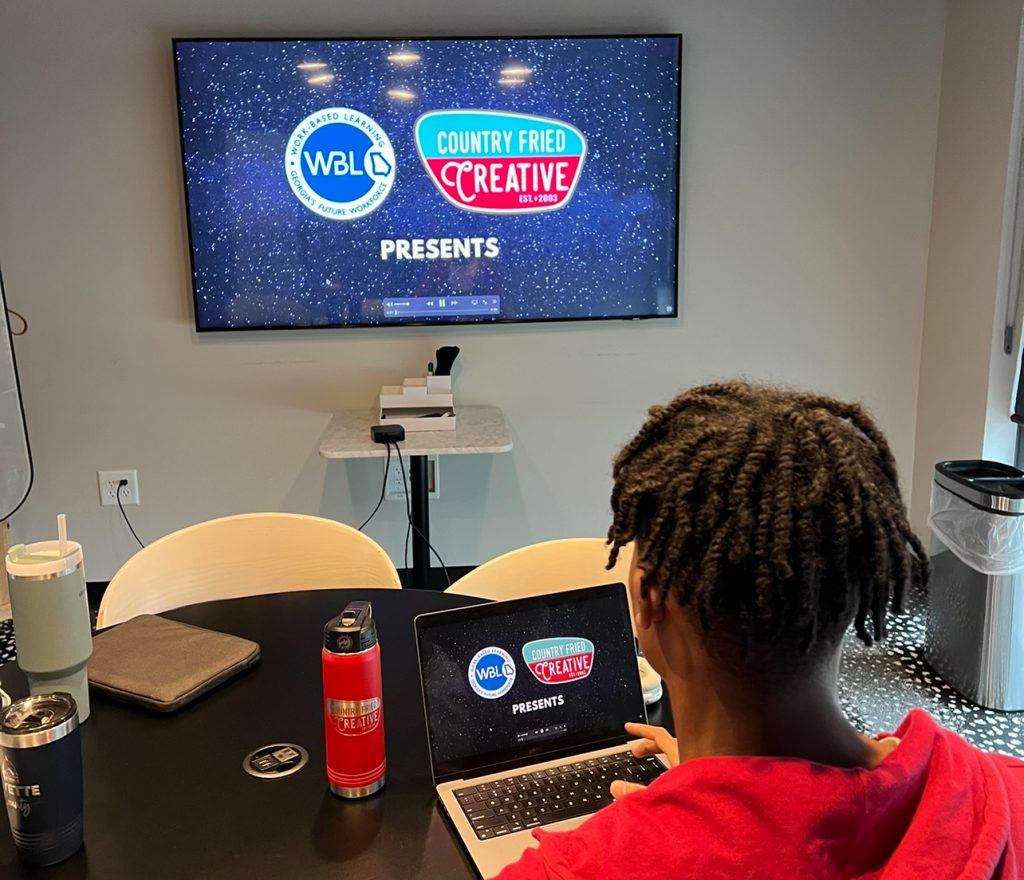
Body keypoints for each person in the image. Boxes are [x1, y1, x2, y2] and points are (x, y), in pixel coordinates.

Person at [496, 381, 1024, 880]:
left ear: (647, 599)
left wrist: (675, 824)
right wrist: (713, 796)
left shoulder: (580, 868)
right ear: (850, 593)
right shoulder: (1006, 796)